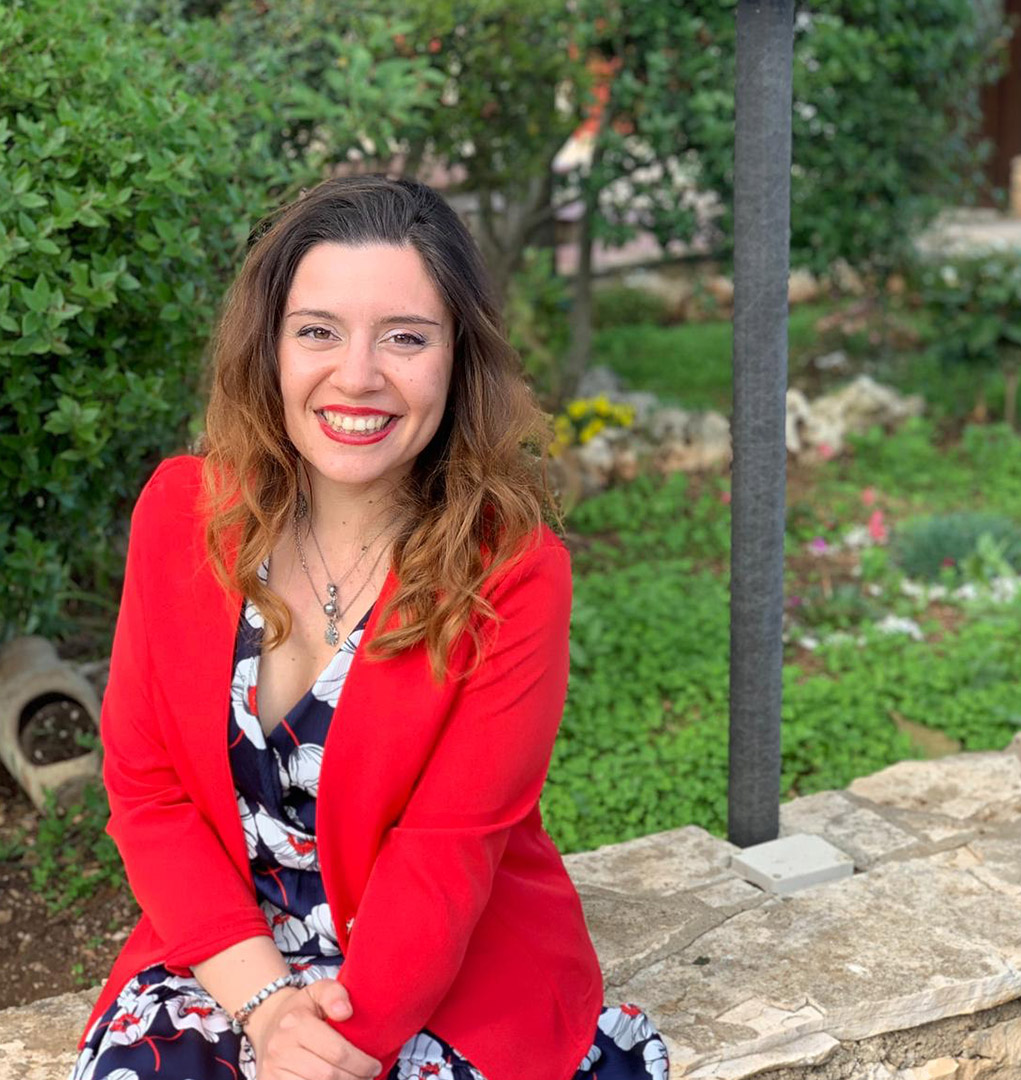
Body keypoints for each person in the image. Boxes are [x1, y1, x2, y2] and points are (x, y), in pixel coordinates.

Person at [71, 175, 669, 1080]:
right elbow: (147, 794)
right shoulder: (177, 516)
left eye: (405, 337)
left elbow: (450, 851)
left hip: (441, 969)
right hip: (228, 956)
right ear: (269, 349)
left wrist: (344, 1046)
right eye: (318, 331)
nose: (358, 375)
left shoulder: (513, 570)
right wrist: (268, 1009)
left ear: (456, 358)